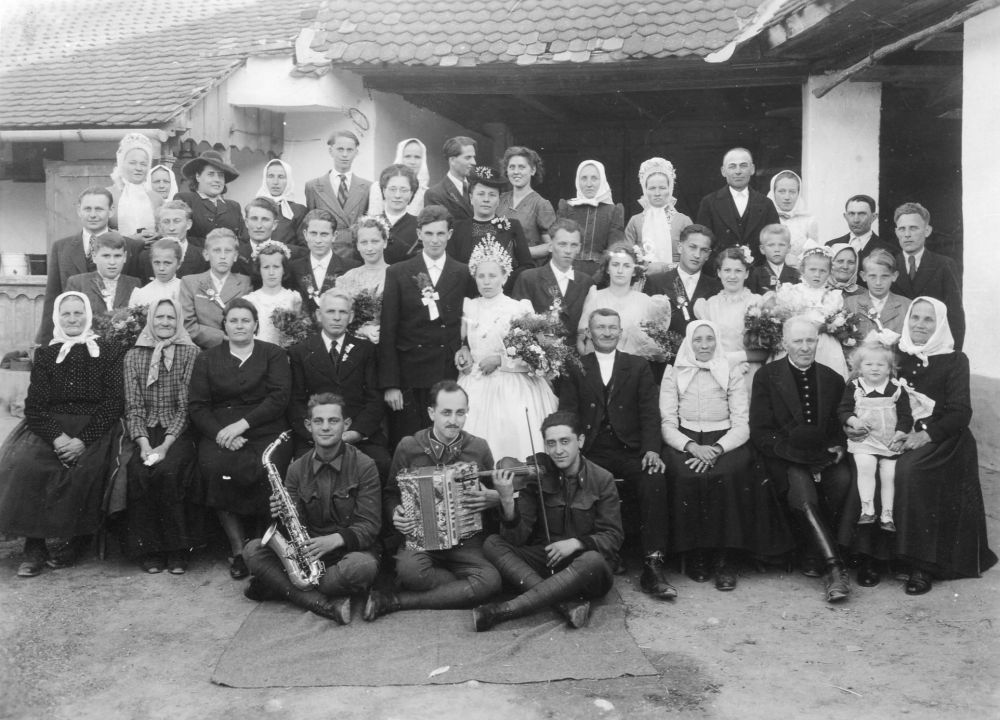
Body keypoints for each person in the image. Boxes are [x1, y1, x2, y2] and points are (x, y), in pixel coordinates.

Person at [843, 297, 997, 594]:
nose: (920, 325)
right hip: (891, 430)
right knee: (870, 465)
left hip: (940, 438)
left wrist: (923, 434)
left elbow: (959, 412)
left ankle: (920, 564)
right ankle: (872, 557)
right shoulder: (893, 352)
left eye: (928, 320)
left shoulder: (954, 360)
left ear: (939, 324)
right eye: (915, 317)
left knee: (908, 472)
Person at [661, 320, 792, 590]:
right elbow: (667, 423)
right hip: (686, 441)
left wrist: (718, 448)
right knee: (684, 473)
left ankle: (726, 558)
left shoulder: (729, 371)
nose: (705, 345)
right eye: (698, 340)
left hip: (724, 439)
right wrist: (691, 447)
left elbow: (742, 423)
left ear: (717, 341)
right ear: (689, 342)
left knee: (727, 473)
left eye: (710, 338)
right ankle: (697, 553)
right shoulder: (674, 372)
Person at [0, 292, 123, 577]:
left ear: (87, 316)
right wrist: (58, 438)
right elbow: (35, 407)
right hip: (51, 426)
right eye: (66, 314)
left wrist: (82, 441)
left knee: (85, 469)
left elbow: (113, 403)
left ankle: (75, 540)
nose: (72, 319)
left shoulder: (109, 350)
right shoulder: (46, 354)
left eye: (78, 313)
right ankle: (35, 546)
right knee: (27, 465)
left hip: (94, 426)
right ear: (58, 317)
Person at [559, 309, 674, 600]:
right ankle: (601, 557)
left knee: (654, 479)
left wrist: (651, 449)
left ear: (621, 332)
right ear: (589, 332)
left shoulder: (637, 366)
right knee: (579, 482)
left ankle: (653, 564)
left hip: (630, 449)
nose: (607, 333)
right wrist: (575, 449)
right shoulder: (576, 366)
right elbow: (568, 413)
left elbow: (650, 413)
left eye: (612, 327)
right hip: (592, 449)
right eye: (601, 327)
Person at [363, 381, 502, 620]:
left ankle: (396, 601)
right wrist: (395, 512)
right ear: (431, 413)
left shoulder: (478, 448)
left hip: (466, 542)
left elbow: (492, 495)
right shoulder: (409, 446)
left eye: (461, 413)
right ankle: (461, 588)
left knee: (491, 580)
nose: (454, 420)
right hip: (422, 539)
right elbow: (390, 493)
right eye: (446, 413)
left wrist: (494, 498)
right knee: (411, 573)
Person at [473, 411, 623, 631]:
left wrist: (576, 543)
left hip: (584, 570)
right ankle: (563, 604)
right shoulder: (537, 476)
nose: (558, 451)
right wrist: (506, 500)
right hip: (548, 561)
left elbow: (613, 537)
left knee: (593, 560)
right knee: (493, 543)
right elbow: (516, 537)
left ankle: (504, 610)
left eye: (565, 442)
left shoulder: (602, 479)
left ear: (580, 441)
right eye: (551, 444)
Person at [243, 393, 381, 624]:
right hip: (308, 553)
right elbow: (293, 529)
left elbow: (370, 526)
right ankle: (324, 604)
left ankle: (285, 588)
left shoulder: (364, 465)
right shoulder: (296, 468)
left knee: (363, 566)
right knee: (253, 550)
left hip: (345, 554)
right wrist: (281, 514)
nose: (325, 428)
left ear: (345, 424)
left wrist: (334, 540)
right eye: (318, 421)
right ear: (308, 426)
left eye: (333, 421)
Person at [188, 298, 292, 580]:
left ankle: (264, 545)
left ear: (256, 325)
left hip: (266, 428)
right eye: (233, 320)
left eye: (245, 320)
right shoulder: (207, 358)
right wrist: (222, 435)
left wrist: (242, 425)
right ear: (224, 325)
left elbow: (279, 398)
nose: (240, 325)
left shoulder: (273, 354)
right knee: (215, 467)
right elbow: (198, 406)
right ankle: (237, 548)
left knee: (266, 468)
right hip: (221, 432)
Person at [750, 317, 852, 603]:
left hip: (822, 456)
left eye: (810, 341)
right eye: (798, 341)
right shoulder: (767, 376)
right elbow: (761, 431)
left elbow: (837, 428)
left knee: (843, 480)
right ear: (785, 344)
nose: (805, 347)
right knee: (803, 493)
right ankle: (835, 569)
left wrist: (838, 448)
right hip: (783, 456)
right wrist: (796, 456)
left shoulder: (832, 379)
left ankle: (812, 551)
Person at [378, 205, 473, 445]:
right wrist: (391, 385)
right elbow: (388, 330)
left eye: (440, 234)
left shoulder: (462, 272)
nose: (435, 240)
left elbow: (470, 319)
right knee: (412, 443)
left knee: (446, 440)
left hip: (447, 371)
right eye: (429, 233)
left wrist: (465, 348)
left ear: (450, 234)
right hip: (411, 374)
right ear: (419, 233)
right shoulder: (399, 272)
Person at [455, 239, 557, 459]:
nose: (487, 282)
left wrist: (501, 361)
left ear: (504, 276)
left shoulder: (518, 309)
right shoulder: (470, 307)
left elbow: (534, 355)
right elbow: (464, 342)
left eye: (492, 276)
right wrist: (463, 353)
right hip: (475, 381)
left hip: (511, 384)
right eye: (481, 276)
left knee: (510, 436)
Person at [122, 298, 202, 574]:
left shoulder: (190, 353)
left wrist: (166, 445)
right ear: (151, 320)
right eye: (160, 317)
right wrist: (143, 444)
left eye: (170, 317)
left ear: (178, 320)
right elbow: (133, 406)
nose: (165, 323)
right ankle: (151, 549)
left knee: (168, 471)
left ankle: (177, 550)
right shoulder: (134, 355)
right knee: (139, 470)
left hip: (178, 430)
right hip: (145, 429)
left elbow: (186, 406)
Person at [288, 290, 389, 477]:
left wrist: (356, 433)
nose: (336, 318)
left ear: (350, 317)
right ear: (319, 315)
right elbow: (296, 402)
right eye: (330, 311)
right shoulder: (299, 352)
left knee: (380, 464)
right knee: (305, 471)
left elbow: (375, 399)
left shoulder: (366, 350)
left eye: (342, 312)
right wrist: (319, 434)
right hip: (316, 436)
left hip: (357, 435)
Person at [36, 186, 143, 344]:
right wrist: (45, 341)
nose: (93, 215)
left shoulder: (131, 246)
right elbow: (53, 296)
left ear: (111, 211)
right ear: (79, 210)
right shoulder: (61, 247)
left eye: (99, 209)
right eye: (87, 209)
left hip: (118, 342)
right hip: (75, 340)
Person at [838, 341, 912, 531]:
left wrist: (901, 433)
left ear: (889, 369)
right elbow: (843, 410)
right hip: (864, 439)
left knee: (889, 474)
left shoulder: (896, 389)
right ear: (860, 368)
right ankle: (867, 509)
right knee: (865, 466)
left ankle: (887, 514)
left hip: (889, 441)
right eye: (869, 364)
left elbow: (906, 416)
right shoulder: (855, 387)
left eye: (881, 365)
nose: (874, 369)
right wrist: (853, 421)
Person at [890, 202, 965, 350]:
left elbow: (955, 314)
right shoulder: (889, 265)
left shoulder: (944, 265)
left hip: (933, 349)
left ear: (927, 230)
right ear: (896, 232)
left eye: (913, 228)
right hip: (898, 349)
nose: (907, 234)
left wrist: (954, 355)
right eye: (902, 229)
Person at [694, 246, 768, 393]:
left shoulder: (757, 303)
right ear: (719, 273)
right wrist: (724, 363)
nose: (732, 276)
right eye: (727, 270)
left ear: (746, 273)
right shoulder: (709, 305)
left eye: (738, 271)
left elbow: (766, 350)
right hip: (717, 372)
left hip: (749, 371)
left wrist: (737, 358)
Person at [448, 164, 532, 290]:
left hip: (504, 295)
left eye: (492, 195)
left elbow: (527, 266)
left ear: (498, 200)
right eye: (481, 194)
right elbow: (452, 267)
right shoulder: (457, 229)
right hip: (469, 297)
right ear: (471, 198)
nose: (486, 199)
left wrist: (502, 282)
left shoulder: (511, 227)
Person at [577, 243, 667, 360]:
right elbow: (582, 337)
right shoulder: (595, 296)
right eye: (615, 265)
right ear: (608, 269)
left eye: (626, 266)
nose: (620, 270)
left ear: (634, 271)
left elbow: (655, 344)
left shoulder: (646, 301)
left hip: (633, 370)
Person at [769, 245, 848, 378]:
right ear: (802, 270)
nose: (817, 274)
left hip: (824, 344)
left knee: (825, 378)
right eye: (812, 270)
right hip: (797, 341)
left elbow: (835, 321)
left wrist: (828, 325)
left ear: (829, 272)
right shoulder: (792, 292)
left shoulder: (833, 296)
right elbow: (784, 317)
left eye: (823, 271)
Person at [513, 218, 595, 339]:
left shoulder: (586, 282)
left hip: (576, 354)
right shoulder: (528, 278)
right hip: (537, 352)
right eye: (562, 244)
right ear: (550, 246)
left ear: (579, 248)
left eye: (573, 245)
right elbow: (518, 323)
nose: (568, 251)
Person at [695, 147, 779, 262]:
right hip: (721, 275)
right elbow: (702, 243)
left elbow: (775, 242)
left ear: (752, 169)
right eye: (732, 166)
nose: (738, 171)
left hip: (757, 276)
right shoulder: (709, 203)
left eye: (743, 165)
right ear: (723, 171)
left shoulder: (766, 204)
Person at [304, 130, 372, 261]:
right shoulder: (313, 186)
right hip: (325, 253)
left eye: (349, 150)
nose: (345, 155)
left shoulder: (368, 187)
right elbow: (311, 222)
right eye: (340, 149)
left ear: (356, 152)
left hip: (355, 254)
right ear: (331, 151)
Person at [178, 228, 251, 349]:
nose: (223, 256)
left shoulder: (245, 283)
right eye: (217, 250)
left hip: (236, 349)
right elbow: (187, 324)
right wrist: (221, 337)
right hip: (201, 351)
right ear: (206, 255)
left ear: (235, 256)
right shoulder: (190, 282)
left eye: (228, 251)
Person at [643, 224, 721, 338]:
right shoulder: (656, 282)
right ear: (680, 247)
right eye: (692, 247)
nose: (697, 255)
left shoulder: (717, 288)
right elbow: (647, 327)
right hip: (669, 354)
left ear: (708, 255)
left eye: (703, 250)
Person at [556, 160, 625, 277]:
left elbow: (614, 248)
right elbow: (559, 244)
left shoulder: (613, 211)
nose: (589, 184)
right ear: (578, 181)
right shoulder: (567, 207)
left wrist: (599, 276)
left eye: (594, 178)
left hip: (599, 273)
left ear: (602, 180)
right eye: (584, 178)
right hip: (567, 270)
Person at [624, 157, 692, 272]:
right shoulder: (635, 221)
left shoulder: (683, 221)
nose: (657, 193)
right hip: (643, 279)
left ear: (670, 189)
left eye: (662, 188)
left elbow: (691, 254)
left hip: (675, 278)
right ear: (645, 190)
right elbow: (627, 255)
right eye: (652, 188)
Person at [289, 209, 359, 316]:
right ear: (305, 234)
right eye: (313, 233)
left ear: (334, 236)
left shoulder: (351, 268)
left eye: (324, 234)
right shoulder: (293, 268)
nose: (318, 240)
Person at [334, 215, 391, 344]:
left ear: (385, 242)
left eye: (375, 241)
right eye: (364, 242)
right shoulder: (347, 278)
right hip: (355, 345)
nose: (369, 248)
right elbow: (340, 318)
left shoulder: (397, 275)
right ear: (357, 246)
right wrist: (363, 330)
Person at [498, 146, 556, 265]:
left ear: (533, 170)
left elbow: (551, 245)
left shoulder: (541, 204)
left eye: (522, 167)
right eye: (512, 167)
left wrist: (519, 252)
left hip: (526, 271)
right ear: (507, 170)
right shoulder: (499, 199)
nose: (516, 172)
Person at [175, 150, 246, 246]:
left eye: (220, 175)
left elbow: (244, 240)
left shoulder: (234, 206)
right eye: (211, 174)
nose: (217, 180)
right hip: (195, 259)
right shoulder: (185, 200)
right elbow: (178, 237)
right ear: (198, 177)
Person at [65, 231, 142, 315]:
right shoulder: (78, 283)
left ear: (125, 257)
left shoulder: (134, 283)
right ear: (94, 257)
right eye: (106, 256)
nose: (112, 262)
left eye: (117, 256)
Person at [243, 240, 302, 345]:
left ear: (284, 269)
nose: (271, 273)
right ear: (259, 269)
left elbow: (298, 332)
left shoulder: (293, 298)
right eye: (266, 267)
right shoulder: (249, 300)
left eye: (276, 267)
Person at [107, 132, 162, 242]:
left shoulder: (156, 198)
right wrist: (132, 240)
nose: (138, 168)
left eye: (143, 164)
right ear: (122, 164)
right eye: (133, 163)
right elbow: (99, 232)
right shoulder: (107, 195)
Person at [136, 200, 209, 281]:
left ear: (188, 224)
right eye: (166, 222)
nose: (171, 228)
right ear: (159, 226)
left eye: (177, 221)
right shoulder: (146, 257)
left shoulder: (203, 257)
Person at [236, 197, 306, 278]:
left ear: (274, 225)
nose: (259, 226)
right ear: (247, 223)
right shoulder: (235, 255)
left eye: (265, 220)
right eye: (254, 219)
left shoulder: (292, 254)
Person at [845, 249, 910, 337]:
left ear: (894, 276)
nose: (878, 282)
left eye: (884, 276)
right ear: (863, 276)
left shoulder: (907, 306)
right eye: (872, 276)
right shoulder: (850, 304)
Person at [825, 195, 896, 274]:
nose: (856, 220)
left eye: (862, 214)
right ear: (845, 216)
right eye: (851, 214)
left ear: (874, 217)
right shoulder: (831, 246)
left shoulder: (888, 250)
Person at [767, 170, 818, 269]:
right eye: (782, 191)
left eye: (792, 192)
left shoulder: (809, 221)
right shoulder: (765, 217)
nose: (787, 197)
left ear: (798, 193)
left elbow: (814, 256)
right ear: (773, 192)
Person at [368, 138, 428, 217]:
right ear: (400, 157)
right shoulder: (378, 187)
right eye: (407, 156)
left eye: (417, 157)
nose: (412, 162)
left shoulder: (426, 192)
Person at [255, 158, 307, 248]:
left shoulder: (298, 211)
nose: (275, 182)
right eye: (271, 176)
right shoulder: (255, 207)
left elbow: (304, 246)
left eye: (281, 177)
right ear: (265, 179)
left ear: (288, 180)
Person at [423, 136, 476, 221]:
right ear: (452, 160)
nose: (474, 162)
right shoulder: (435, 194)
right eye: (468, 157)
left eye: (473, 157)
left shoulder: (477, 188)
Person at [377, 164, 421, 265]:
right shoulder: (370, 223)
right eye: (392, 189)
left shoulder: (420, 226)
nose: (397, 195)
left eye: (404, 190)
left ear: (411, 193)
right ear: (384, 191)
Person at [746, 224, 800, 295]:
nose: (777, 249)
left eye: (781, 245)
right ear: (762, 249)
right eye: (771, 245)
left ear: (788, 248)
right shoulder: (755, 274)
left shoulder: (796, 274)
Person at [129, 238, 182, 307]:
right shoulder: (142, 293)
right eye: (157, 263)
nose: (161, 268)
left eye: (167, 263)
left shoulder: (185, 290)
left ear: (178, 264)